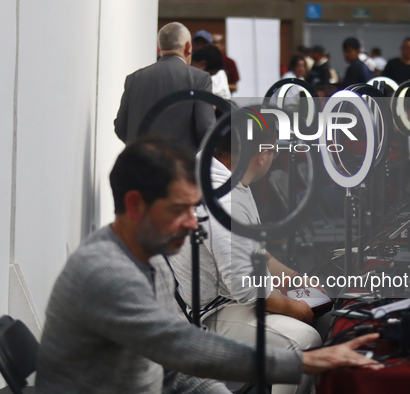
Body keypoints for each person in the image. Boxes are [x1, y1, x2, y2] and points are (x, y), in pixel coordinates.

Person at [35, 136, 382, 394]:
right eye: (179, 210)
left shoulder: (148, 260)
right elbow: (184, 349)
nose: (192, 222)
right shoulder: (108, 274)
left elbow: (172, 367)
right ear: (136, 205)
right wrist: (306, 361)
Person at [169, 122, 328, 394]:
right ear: (262, 154)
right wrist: (297, 308)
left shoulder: (221, 175)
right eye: (274, 152)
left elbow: (253, 250)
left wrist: (293, 278)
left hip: (224, 296)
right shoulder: (224, 199)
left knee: (319, 316)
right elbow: (249, 291)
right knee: (304, 342)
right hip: (209, 314)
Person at [114, 22, 215, 151]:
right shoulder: (199, 78)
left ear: (158, 48)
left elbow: (121, 128)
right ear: (188, 47)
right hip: (179, 166)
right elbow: (206, 128)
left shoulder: (134, 78)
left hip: (139, 164)